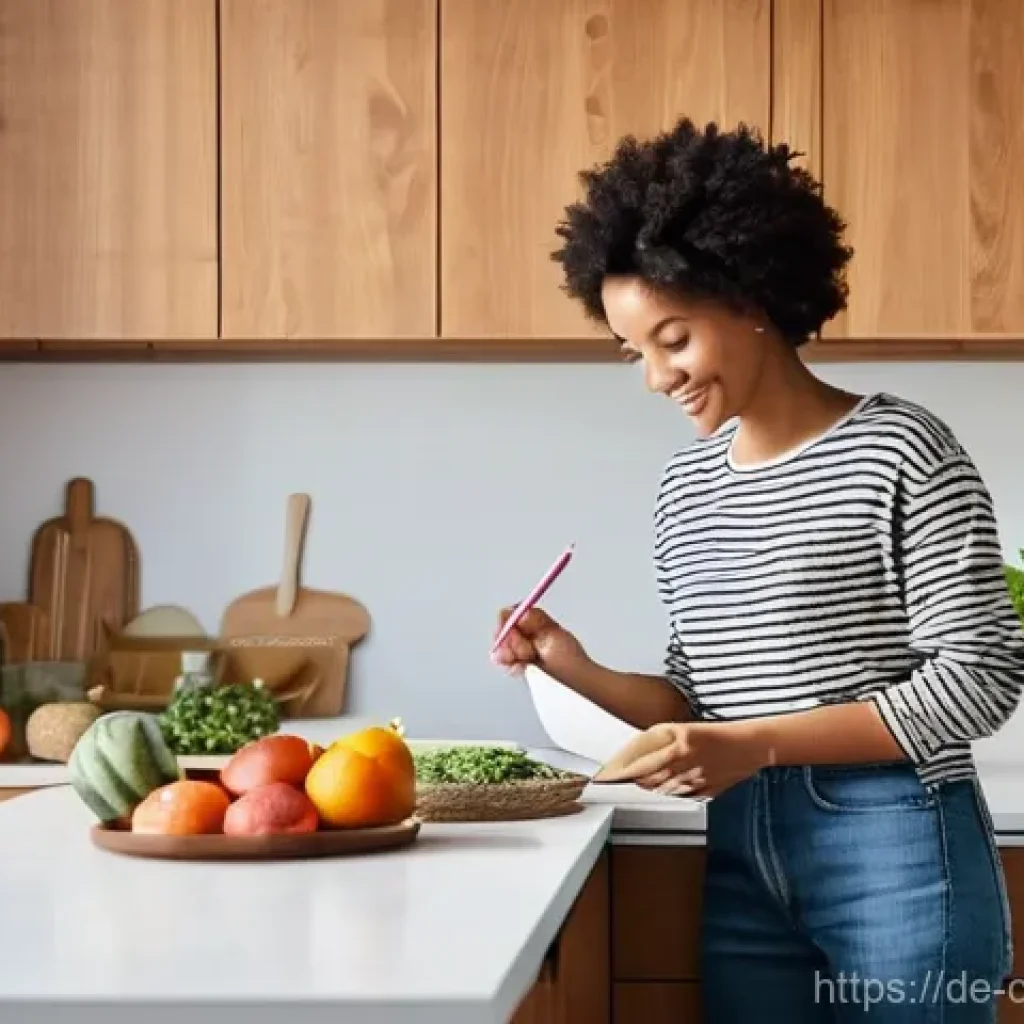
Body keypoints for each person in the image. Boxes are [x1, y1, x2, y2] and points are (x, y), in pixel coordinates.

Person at [491, 118, 1024, 1022]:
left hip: (898, 848)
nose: (657, 377)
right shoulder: (687, 489)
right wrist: (567, 663)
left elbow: (981, 680)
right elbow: (702, 702)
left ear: (750, 298)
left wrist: (758, 745)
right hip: (745, 849)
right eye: (635, 354)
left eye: (674, 339)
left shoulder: (904, 448)